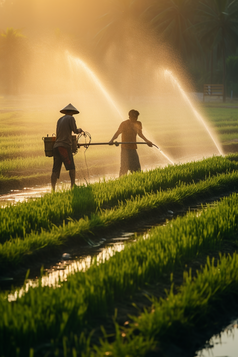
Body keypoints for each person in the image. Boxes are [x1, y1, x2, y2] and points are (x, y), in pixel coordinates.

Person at [109, 109, 153, 176]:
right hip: (125, 149)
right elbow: (118, 133)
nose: (135, 119)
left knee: (136, 168)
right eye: (134, 117)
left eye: (136, 117)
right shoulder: (124, 124)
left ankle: (136, 180)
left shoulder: (138, 123)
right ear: (130, 117)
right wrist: (111, 140)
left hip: (133, 149)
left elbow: (140, 134)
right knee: (124, 167)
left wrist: (147, 141)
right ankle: (121, 182)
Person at [51, 103, 84, 191]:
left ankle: (53, 189)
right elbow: (75, 130)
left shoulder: (60, 119)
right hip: (64, 147)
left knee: (55, 169)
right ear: (72, 112)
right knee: (72, 168)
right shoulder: (71, 118)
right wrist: (80, 130)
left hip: (56, 146)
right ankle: (73, 186)